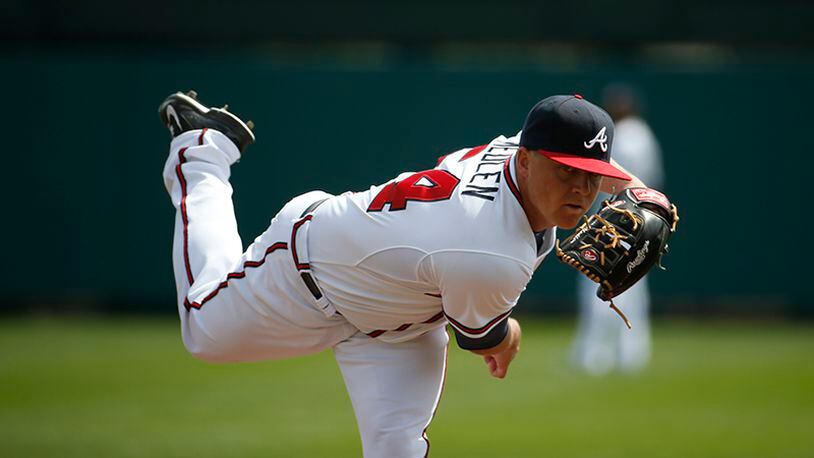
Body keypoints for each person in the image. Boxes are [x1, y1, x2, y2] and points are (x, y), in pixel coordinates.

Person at [159, 91, 647, 457]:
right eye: (566, 171)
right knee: (203, 332)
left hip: (402, 318)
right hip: (310, 273)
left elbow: (577, 159)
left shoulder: (515, 149)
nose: (583, 189)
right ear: (527, 159)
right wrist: (509, 333)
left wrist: (643, 192)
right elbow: (483, 339)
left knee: (398, 451)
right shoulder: (491, 252)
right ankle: (202, 152)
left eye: (590, 174)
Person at [571, 84, 665, 375]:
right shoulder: (645, 134)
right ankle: (631, 354)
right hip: (642, 218)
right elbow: (653, 180)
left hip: (614, 218)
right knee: (634, 286)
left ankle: (594, 356)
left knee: (595, 281)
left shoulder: (618, 136)